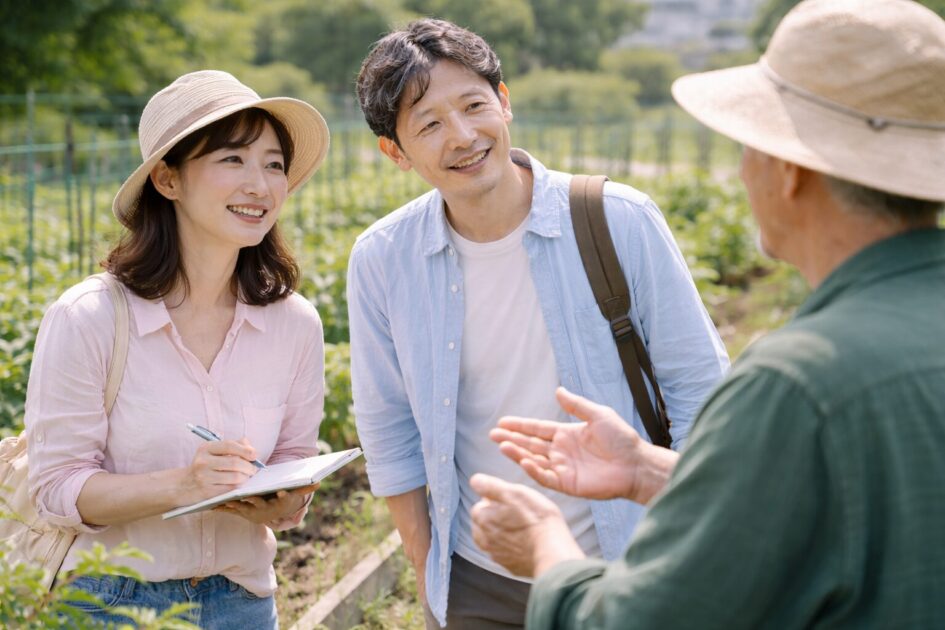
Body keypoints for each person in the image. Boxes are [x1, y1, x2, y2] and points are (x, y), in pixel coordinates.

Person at [469, 0, 945, 627]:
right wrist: (649, 470)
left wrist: (546, 548)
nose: (743, 170)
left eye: (750, 144)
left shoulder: (798, 387)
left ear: (790, 171)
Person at [348, 18, 729, 628]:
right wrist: (430, 576)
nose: (463, 136)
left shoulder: (616, 218)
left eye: (474, 106)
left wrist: (685, 549)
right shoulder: (383, 259)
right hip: (480, 578)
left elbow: (700, 392)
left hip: (630, 560)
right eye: (429, 125)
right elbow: (388, 430)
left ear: (504, 101)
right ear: (396, 152)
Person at [25, 70, 330, 629]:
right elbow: (57, 488)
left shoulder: (295, 325)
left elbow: (293, 459)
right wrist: (183, 486)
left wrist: (288, 501)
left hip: (242, 601)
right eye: (232, 159)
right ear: (168, 179)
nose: (260, 186)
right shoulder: (90, 317)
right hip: (109, 603)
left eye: (273, 164)